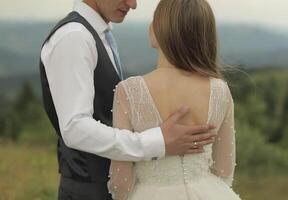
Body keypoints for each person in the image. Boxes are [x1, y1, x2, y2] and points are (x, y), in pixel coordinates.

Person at [39, 0, 216, 199]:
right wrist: (157, 142)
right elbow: (74, 127)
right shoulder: (74, 37)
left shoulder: (97, 34)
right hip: (89, 190)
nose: (133, 5)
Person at [107, 0, 241, 199]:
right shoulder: (220, 90)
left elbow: (121, 181)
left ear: (159, 30)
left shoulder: (129, 91)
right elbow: (224, 169)